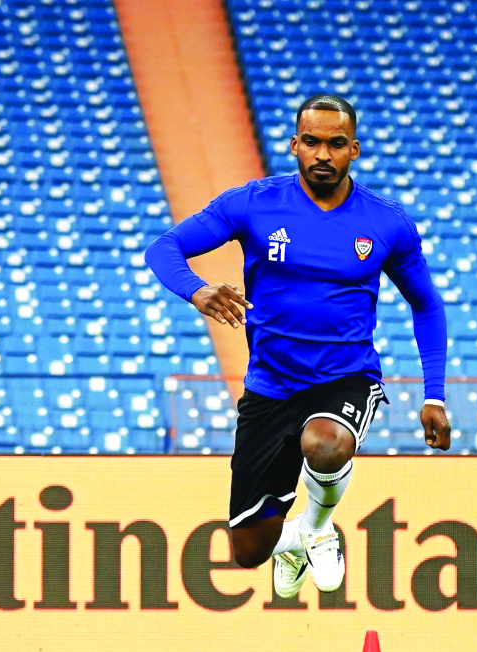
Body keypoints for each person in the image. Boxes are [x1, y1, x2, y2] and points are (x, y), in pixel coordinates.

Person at [146, 94, 450, 599]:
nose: (323, 154)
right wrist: (196, 290)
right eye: (312, 142)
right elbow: (164, 247)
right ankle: (293, 540)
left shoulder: (386, 222)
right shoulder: (254, 204)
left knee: (325, 444)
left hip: (345, 377)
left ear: (354, 149)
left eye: (336, 144)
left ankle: (317, 525)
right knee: (249, 551)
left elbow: (427, 305)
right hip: (270, 385)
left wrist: (434, 394)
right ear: (294, 145)